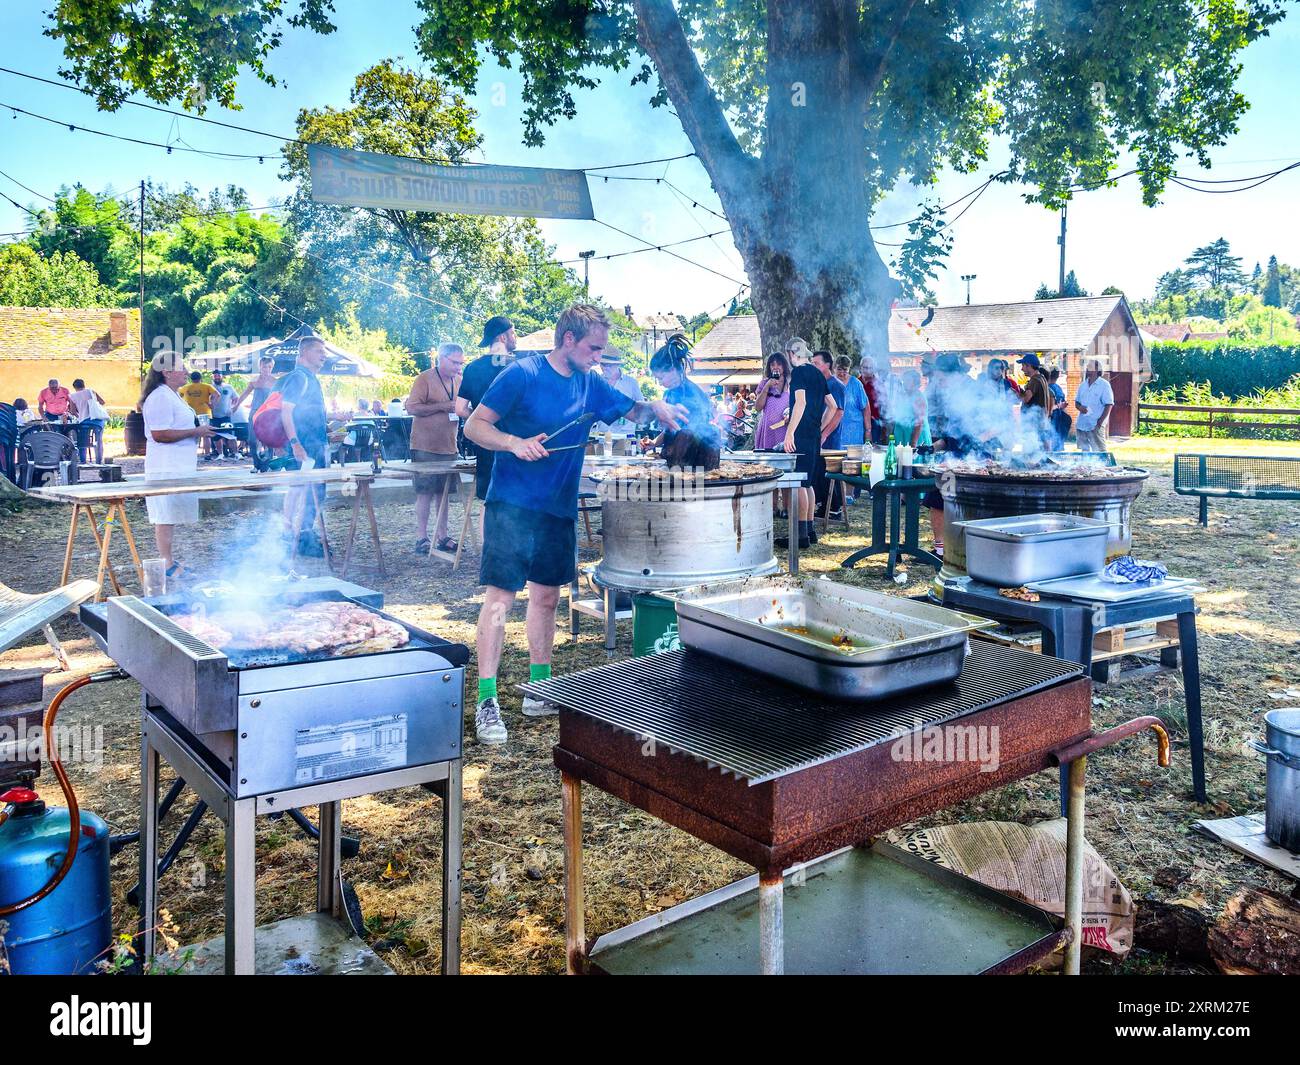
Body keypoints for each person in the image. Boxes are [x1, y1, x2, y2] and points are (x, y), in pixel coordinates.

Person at [463, 304, 686, 746]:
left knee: (546, 598)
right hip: (511, 504)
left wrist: (655, 408)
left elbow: (632, 410)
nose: (598, 357)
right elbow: (474, 426)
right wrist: (514, 442)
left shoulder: (589, 382)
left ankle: (540, 688)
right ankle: (486, 700)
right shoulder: (522, 375)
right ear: (568, 340)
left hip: (557, 506)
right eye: (593, 348)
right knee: (500, 600)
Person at [139, 348, 215, 578]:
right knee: (165, 515)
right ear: (166, 371)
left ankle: (169, 559)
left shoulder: (171, 394)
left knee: (170, 515)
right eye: (181, 367)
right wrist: (196, 431)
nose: (186, 372)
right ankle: (166, 562)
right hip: (165, 465)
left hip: (177, 464)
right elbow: (160, 434)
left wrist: (197, 432)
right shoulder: (160, 396)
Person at [457, 314, 517, 531]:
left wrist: (480, 419)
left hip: (485, 441)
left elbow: (460, 409)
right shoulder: (516, 366)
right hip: (515, 442)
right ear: (502, 337)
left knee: (488, 499)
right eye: (512, 333)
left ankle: (487, 553)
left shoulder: (472, 368)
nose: (515, 337)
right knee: (515, 499)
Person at [406, 342, 466, 554]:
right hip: (424, 446)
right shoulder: (425, 378)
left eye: (461, 363)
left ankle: (443, 535)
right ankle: (421, 537)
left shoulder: (460, 380)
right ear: (442, 358)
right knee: (425, 492)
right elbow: (411, 407)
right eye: (455, 362)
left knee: (443, 494)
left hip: (449, 446)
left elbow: (464, 409)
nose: (458, 367)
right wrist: (442, 406)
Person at [278, 334, 331, 557]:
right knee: (299, 489)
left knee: (316, 491)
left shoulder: (310, 377)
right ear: (305, 353)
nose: (324, 356)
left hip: (316, 445)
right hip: (304, 447)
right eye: (319, 351)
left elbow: (306, 413)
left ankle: (304, 534)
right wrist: (295, 443)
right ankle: (289, 534)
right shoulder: (299, 377)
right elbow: (286, 411)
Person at [783, 338, 838, 550]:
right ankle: (809, 531)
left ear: (791, 353)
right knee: (808, 483)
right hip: (813, 434)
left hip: (801, 435)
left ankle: (800, 537)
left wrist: (790, 433)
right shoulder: (817, 373)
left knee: (798, 484)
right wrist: (820, 428)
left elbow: (801, 402)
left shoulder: (798, 372)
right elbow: (832, 406)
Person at [648, 334, 719, 461]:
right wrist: (654, 443)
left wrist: (673, 454)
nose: (660, 382)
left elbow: (694, 433)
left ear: (673, 370)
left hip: (692, 464)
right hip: (672, 461)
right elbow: (672, 428)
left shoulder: (694, 394)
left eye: (661, 377)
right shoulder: (668, 394)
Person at [812, 351, 846, 520]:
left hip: (831, 439)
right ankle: (823, 505)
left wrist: (824, 434)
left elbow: (838, 413)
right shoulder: (819, 384)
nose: (814, 366)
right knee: (819, 472)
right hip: (818, 436)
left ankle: (834, 508)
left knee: (830, 472)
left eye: (816, 363)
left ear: (827, 365)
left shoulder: (836, 385)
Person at [237, 355, 279, 468]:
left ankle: (268, 463)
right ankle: (256, 464)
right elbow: (245, 394)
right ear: (260, 367)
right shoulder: (254, 381)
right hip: (255, 412)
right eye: (265, 367)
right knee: (252, 440)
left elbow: (281, 397)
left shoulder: (275, 382)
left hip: (269, 413)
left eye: (270, 367)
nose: (267, 369)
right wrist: (236, 406)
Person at [592, 351, 645, 437]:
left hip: (625, 435)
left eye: (608, 365)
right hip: (602, 435)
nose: (605, 368)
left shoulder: (631, 383)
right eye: (602, 364)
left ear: (617, 365)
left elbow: (641, 408)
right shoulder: (597, 381)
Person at [752, 352, 791, 451]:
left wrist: (790, 415)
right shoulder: (764, 383)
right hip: (768, 429)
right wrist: (767, 387)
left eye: (779, 364)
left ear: (784, 366)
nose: (775, 367)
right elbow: (758, 408)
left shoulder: (791, 383)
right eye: (772, 365)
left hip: (784, 427)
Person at [1074, 359, 1115, 452]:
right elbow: (1076, 402)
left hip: (1095, 425)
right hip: (1082, 424)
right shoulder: (1083, 385)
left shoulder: (1104, 385)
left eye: (1090, 366)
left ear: (1097, 369)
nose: (1087, 369)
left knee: (1100, 452)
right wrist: (1080, 407)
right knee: (1084, 452)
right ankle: (1085, 467)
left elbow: (1109, 404)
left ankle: (1103, 467)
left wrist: (1100, 422)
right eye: (1087, 367)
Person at [68, 378, 109, 463]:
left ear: (74, 387)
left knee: (83, 441)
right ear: (84, 385)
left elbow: (72, 411)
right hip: (97, 420)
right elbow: (102, 402)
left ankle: (83, 461)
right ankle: (98, 461)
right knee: (99, 440)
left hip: (84, 422)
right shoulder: (91, 391)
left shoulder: (72, 396)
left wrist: (80, 415)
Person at [891, 368, 932, 448]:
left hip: (915, 438)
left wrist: (913, 444)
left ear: (915, 382)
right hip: (901, 437)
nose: (905, 383)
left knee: (913, 459)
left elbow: (919, 423)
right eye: (904, 380)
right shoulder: (903, 395)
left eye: (908, 380)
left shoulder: (919, 397)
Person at [1018, 353, 1051, 447]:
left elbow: (1026, 399)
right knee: (1042, 449)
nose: (1022, 369)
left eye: (1023, 366)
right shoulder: (1042, 378)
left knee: (1032, 451)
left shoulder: (1034, 380)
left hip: (1034, 423)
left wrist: (1016, 394)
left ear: (1029, 366)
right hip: (1040, 421)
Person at [207, 371, 240, 460]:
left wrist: (233, 408)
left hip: (226, 415)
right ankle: (220, 454)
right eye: (215, 376)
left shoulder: (228, 387)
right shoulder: (209, 387)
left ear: (222, 377)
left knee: (229, 435)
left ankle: (236, 453)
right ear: (212, 377)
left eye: (218, 376)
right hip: (214, 416)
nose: (217, 377)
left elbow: (236, 398)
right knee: (217, 436)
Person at [858, 358, 886, 445]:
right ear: (860, 368)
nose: (868, 370)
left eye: (870, 368)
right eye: (865, 367)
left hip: (874, 423)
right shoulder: (856, 382)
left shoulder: (879, 384)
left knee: (872, 449)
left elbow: (884, 407)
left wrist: (884, 428)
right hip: (858, 421)